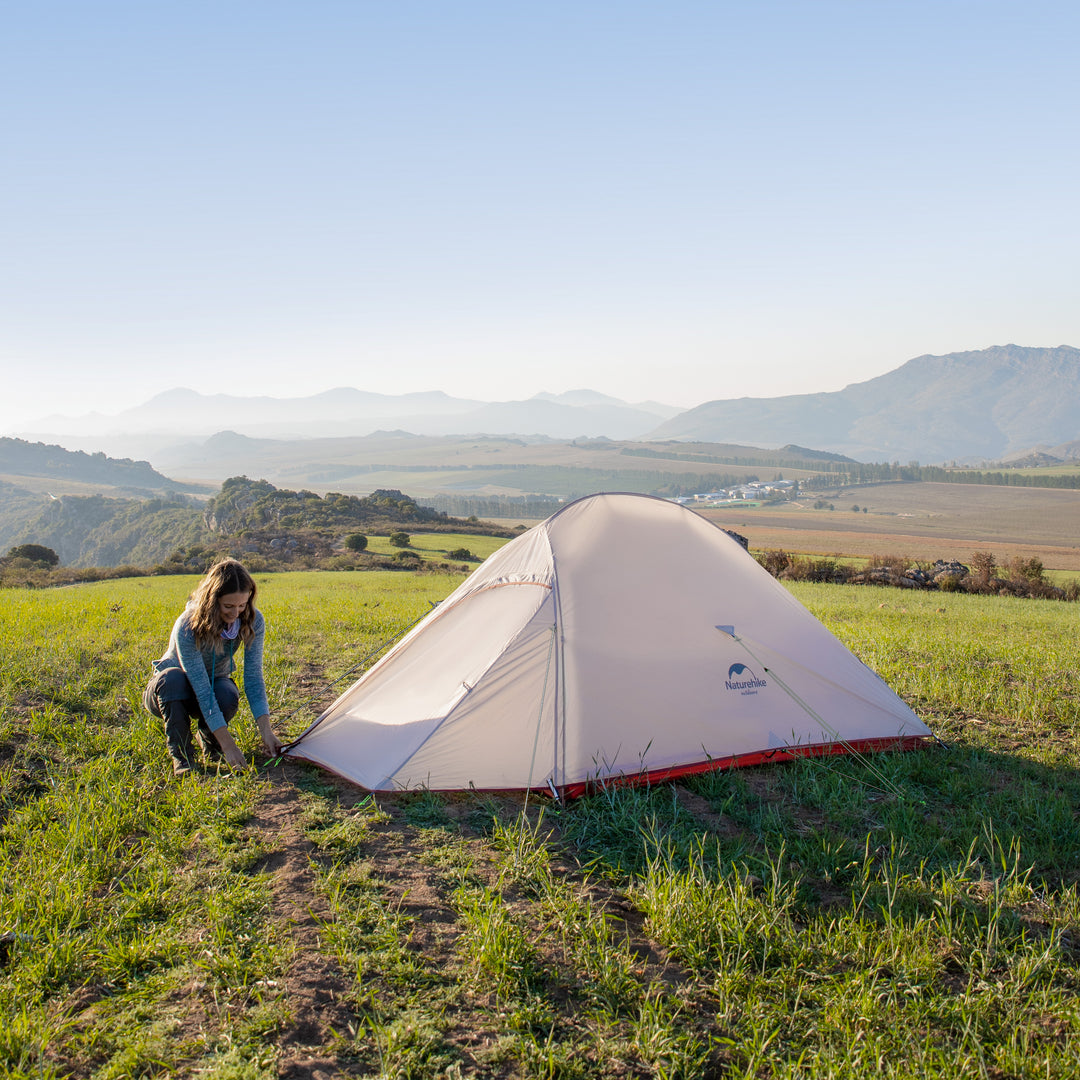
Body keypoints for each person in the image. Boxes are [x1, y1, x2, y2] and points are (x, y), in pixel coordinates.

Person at [143, 559, 283, 776]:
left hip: (212, 684)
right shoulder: (188, 625)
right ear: (212, 600)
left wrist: (266, 731)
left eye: (242, 605)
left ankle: (209, 740)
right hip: (171, 692)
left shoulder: (253, 621)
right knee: (172, 679)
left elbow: (254, 678)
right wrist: (230, 745)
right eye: (228, 606)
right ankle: (183, 758)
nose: (235, 613)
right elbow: (200, 688)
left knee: (227, 692)